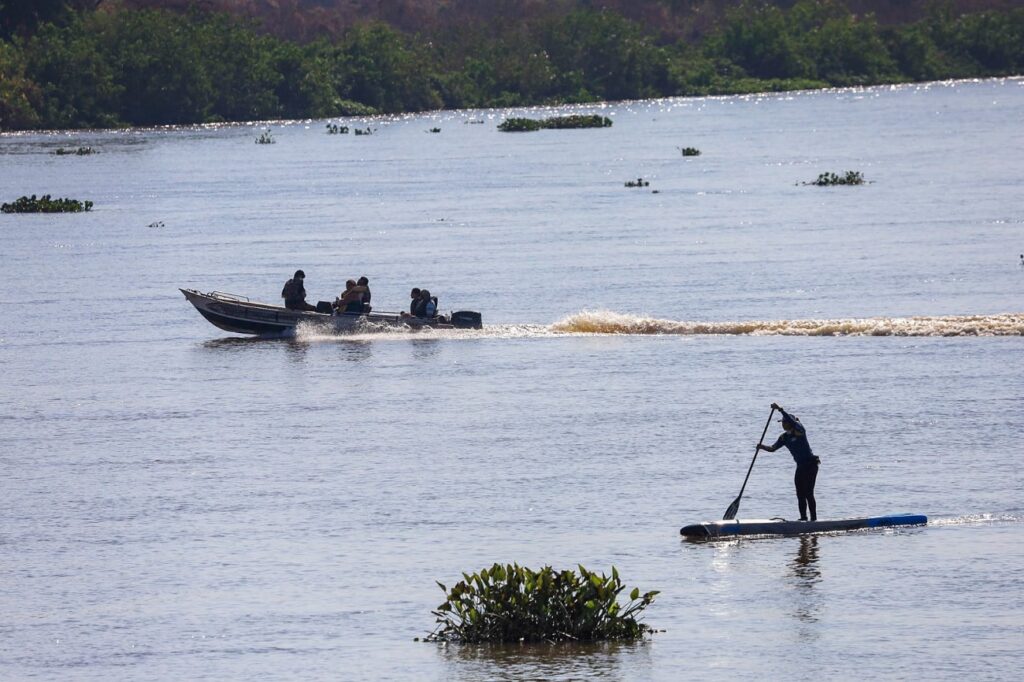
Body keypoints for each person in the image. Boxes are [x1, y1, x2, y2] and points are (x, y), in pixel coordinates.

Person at [756, 402, 821, 521]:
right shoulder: (784, 438)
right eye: (782, 423)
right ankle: (803, 518)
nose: (783, 425)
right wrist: (762, 447)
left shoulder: (799, 430)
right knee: (799, 493)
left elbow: (793, 423)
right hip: (800, 466)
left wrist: (780, 409)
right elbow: (773, 448)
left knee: (808, 492)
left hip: (811, 465)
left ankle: (814, 520)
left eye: (785, 422)